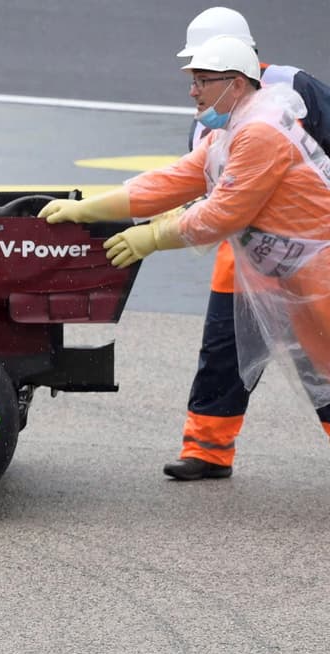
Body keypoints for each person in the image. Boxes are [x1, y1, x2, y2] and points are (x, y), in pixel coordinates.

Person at [40, 35, 330, 456]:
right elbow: (174, 180)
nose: (192, 91)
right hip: (301, 275)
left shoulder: (259, 133)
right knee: (324, 378)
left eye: (201, 80)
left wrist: (153, 237)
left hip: (319, 273)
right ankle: (207, 448)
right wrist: (88, 210)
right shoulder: (234, 129)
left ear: (234, 82)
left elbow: (222, 214)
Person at [160, 7, 330, 480]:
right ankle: (206, 450)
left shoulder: (295, 88)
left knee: (323, 359)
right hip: (244, 258)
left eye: (202, 70)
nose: (196, 83)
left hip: (310, 255)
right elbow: (200, 178)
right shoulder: (212, 106)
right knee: (224, 350)